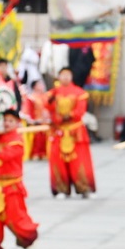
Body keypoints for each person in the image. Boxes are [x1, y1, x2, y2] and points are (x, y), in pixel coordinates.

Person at [0, 109, 39, 249]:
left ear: (18, 123)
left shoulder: (17, 140)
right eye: (5, 120)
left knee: (16, 219)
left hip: (12, 187)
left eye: (11, 121)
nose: (7, 123)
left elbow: (5, 156)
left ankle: (28, 242)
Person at [47, 67, 96, 198]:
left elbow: (81, 110)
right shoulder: (53, 93)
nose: (65, 77)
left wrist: (69, 115)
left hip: (75, 131)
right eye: (62, 75)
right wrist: (52, 108)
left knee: (80, 161)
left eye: (68, 75)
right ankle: (61, 189)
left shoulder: (79, 92)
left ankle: (85, 189)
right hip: (59, 131)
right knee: (58, 162)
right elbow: (48, 108)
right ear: (58, 77)